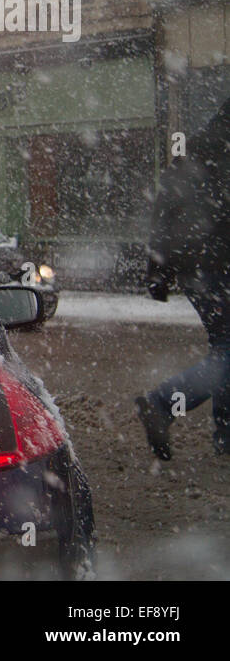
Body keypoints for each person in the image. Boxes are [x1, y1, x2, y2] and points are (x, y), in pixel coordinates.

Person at [136, 96, 230, 459]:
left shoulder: (190, 154)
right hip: (219, 267)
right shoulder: (219, 157)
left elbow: (163, 215)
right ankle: (163, 402)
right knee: (226, 351)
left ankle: (225, 436)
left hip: (195, 269)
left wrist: (157, 270)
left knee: (223, 347)